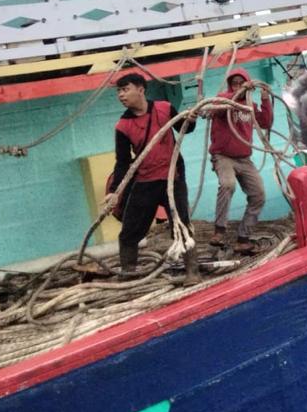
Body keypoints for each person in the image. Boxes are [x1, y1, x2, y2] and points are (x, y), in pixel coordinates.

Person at [104, 72, 197, 274]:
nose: (121, 95)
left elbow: (185, 129)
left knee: (182, 226)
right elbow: (122, 162)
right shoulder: (123, 126)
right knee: (129, 232)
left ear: (141, 89)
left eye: (125, 89)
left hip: (173, 178)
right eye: (119, 91)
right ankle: (129, 273)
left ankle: (192, 271)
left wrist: (191, 118)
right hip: (145, 181)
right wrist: (114, 191)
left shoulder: (164, 108)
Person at [208, 68, 273, 253]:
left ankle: (243, 238)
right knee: (227, 184)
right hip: (223, 156)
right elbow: (216, 109)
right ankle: (219, 231)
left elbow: (266, 122)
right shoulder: (222, 98)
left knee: (258, 194)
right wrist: (237, 93)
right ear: (230, 85)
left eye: (241, 83)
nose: (238, 86)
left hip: (244, 159)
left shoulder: (250, 105)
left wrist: (265, 99)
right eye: (234, 83)